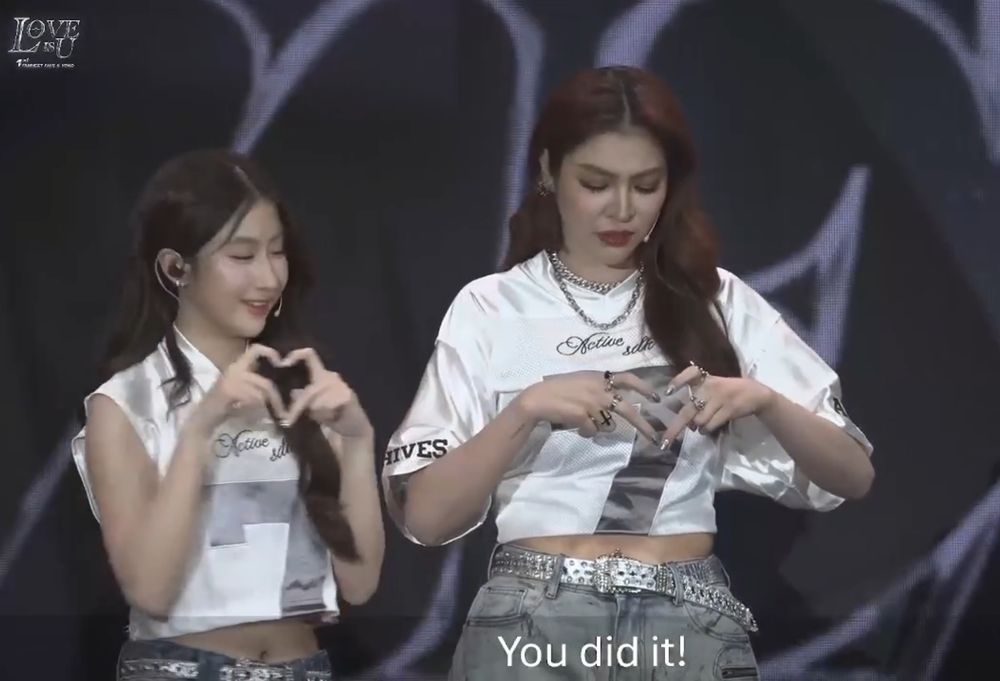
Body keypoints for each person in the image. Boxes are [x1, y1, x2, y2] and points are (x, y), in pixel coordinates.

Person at [381, 66, 874, 680]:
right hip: (532, 624)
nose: (621, 209)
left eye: (645, 185)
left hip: (688, 622)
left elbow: (853, 475)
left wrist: (766, 401)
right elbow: (426, 518)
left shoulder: (718, 301)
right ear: (548, 171)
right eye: (595, 183)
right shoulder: (491, 306)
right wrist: (527, 409)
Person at [71, 150, 384, 680]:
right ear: (176, 268)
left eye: (277, 252)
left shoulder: (304, 389)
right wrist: (200, 430)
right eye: (242, 256)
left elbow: (360, 583)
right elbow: (149, 590)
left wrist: (357, 443)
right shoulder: (125, 404)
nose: (268, 276)